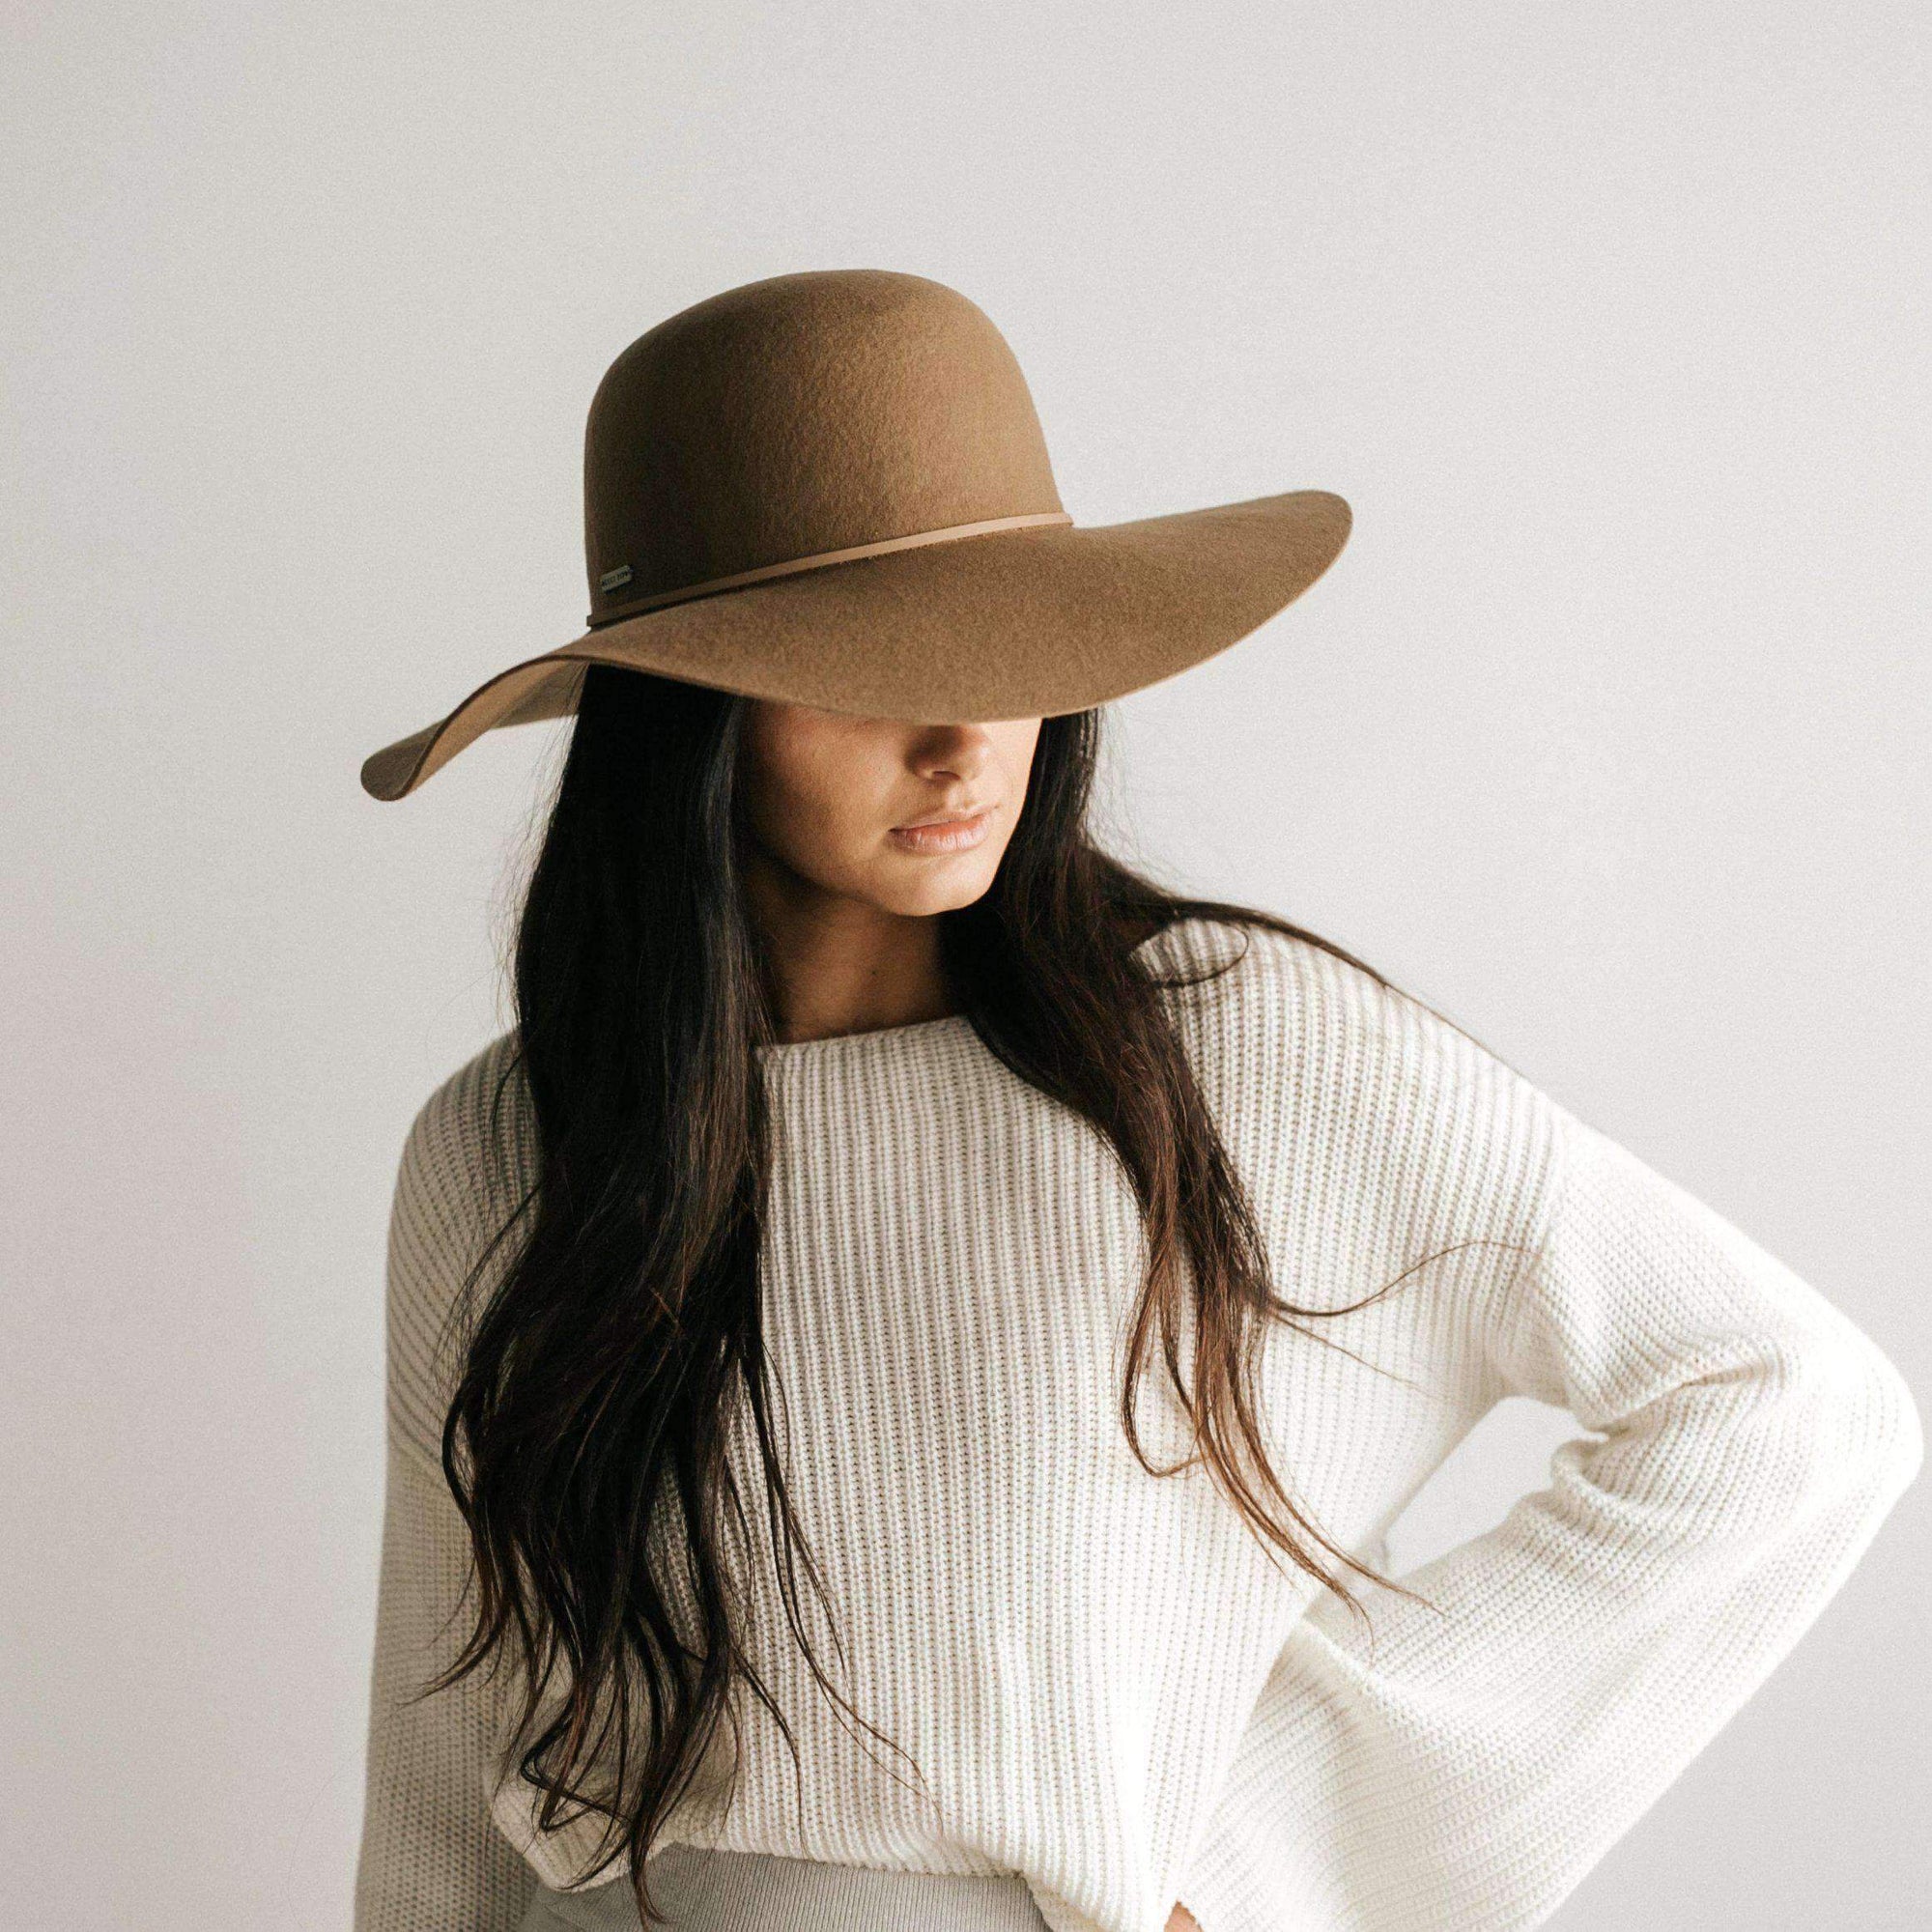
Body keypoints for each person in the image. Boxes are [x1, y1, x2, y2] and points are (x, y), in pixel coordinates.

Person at [351, 270, 1920, 1932]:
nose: (963, 739)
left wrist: (1257, 1864)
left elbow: (1789, 1407)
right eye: (862, 666)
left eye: (1012, 645)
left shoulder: (1241, 1056)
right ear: (688, 713)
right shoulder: (505, 1146)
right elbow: (445, 1751)